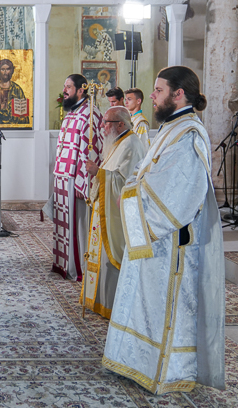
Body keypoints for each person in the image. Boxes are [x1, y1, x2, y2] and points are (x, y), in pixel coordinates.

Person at [103, 66, 225, 395]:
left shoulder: (188, 135)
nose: (152, 96)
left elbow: (177, 192)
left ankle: (166, 371)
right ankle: (136, 360)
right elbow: (144, 172)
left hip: (169, 242)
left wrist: (130, 199)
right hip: (152, 239)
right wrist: (131, 191)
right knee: (143, 301)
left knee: (162, 305)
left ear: (178, 94)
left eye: (158, 90)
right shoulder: (173, 128)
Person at [81, 106, 146, 318]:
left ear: (120, 124)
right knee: (100, 258)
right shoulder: (118, 142)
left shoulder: (132, 144)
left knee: (111, 260)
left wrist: (97, 173)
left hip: (116, 215)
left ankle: (113, 306)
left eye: (106, 122)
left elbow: (125, 182)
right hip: (105, 212)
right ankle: (100, 301)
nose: (102, 127)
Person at [49, 74, 103, 281]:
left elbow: (91, 151)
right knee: (62, 223)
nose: (65, 90)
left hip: (75, 179)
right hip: (62, 175)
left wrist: (84, 182)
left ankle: (77, 267)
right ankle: (63, 264)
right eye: (65, 86)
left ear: (81, 90)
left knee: (77, 224)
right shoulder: (73, 112)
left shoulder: (90, 114)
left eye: (69, 87)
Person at [0, 58, 30, 125]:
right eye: (3, 69)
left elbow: (23, 115)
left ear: (11, 71)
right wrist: (1, 115)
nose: (5, 72)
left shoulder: (17, 89)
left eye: (7, 69)